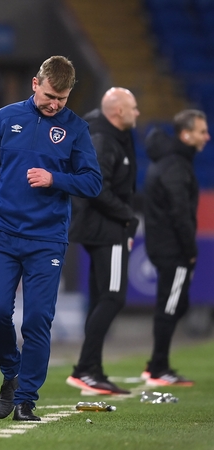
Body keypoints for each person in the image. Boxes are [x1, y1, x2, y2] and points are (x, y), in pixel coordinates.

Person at [0, 56, 102, 421]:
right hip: (1, 233)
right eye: (49, 95)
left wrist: (55, 179)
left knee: (37, 321)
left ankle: (25, 399)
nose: (54, 104)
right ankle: (11, 373)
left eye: (62, 98)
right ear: (35, 84)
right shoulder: (6, 117)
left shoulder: (76, 129)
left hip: (47, 239)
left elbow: (92, 182)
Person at [66, 88, 140, 395]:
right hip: (106, 228)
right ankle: (86, 369)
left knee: (100, 298)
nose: (138, 112)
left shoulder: (108, 134)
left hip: (101, 226)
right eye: (133, 107)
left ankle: (91, 369)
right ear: (118, 112)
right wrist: (128, 218)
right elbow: (95, 188)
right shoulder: (104, 139)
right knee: (112, 297)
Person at [142, 109, 209, 387]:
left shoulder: (172, 162)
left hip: (163, 244)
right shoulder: (176, 166)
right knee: (170, 306)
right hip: (172, 247)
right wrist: (189, 247)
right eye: (202, 131)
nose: (207, 136)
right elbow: (180, 212)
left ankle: (157, 364)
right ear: (186, 134)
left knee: (173, 304)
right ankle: (158, 368)